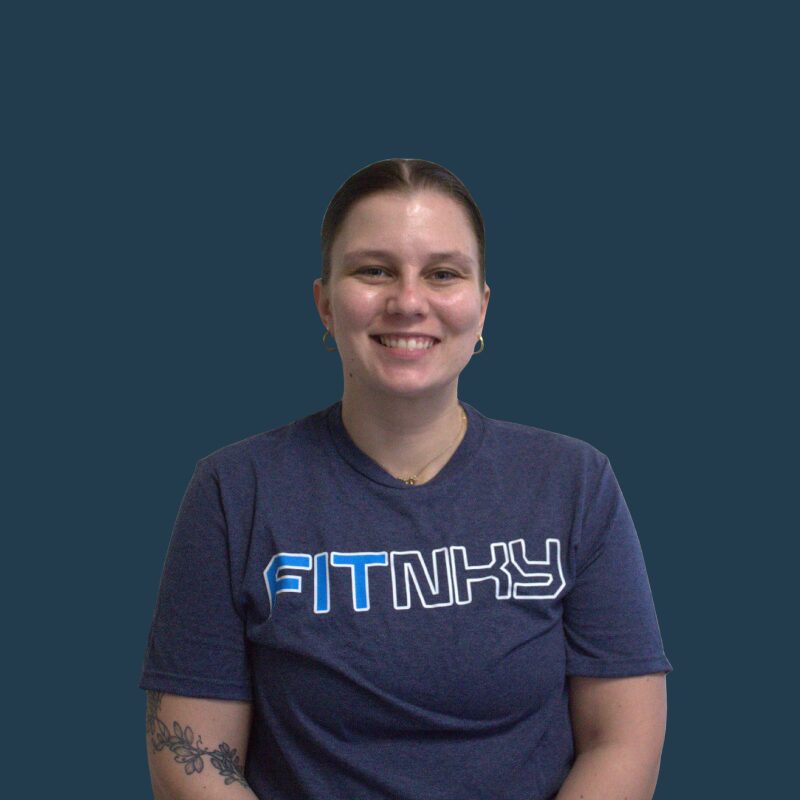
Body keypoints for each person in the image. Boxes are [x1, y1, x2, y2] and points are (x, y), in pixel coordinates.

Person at [140, 158, 672, 800]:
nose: (408, 302)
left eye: (443, 274)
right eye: (374, 270)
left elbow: (623, 740)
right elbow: (193, 762)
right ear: (325, 303)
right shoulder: (233, 490)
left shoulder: (575, 482)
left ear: (481, 307)